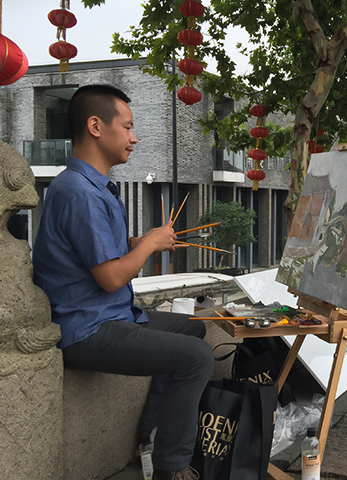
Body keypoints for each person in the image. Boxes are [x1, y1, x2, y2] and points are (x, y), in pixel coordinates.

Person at [32, 85, 214, 480]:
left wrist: (135, 242)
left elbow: (96, 256)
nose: (134, 137)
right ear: (96, 126)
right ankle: (171, 468)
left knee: (194, 328)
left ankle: (149, 432)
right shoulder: (79, 192)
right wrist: (149, 244)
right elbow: (112, 277)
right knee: (196, 358)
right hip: (86, 328)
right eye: (128, 127)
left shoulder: (90, 187)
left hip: (111, 315)